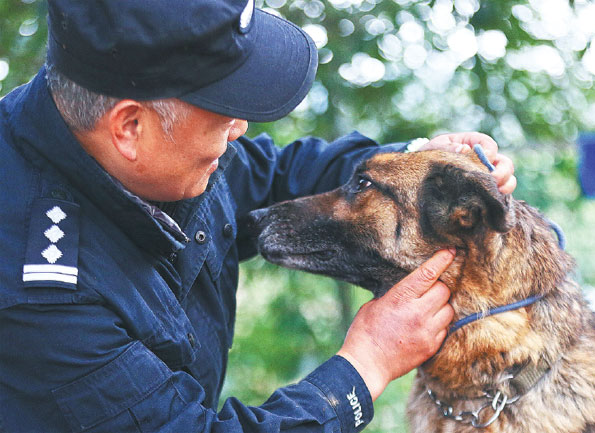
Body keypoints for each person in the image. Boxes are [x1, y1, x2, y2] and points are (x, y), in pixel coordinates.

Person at [0, 1, 516, 432]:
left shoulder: (168, 152)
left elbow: (281, 174)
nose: (240, 127)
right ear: (130, 127)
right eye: (224, 108)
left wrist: (424, 161)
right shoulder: (40, 291)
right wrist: (365, 365)